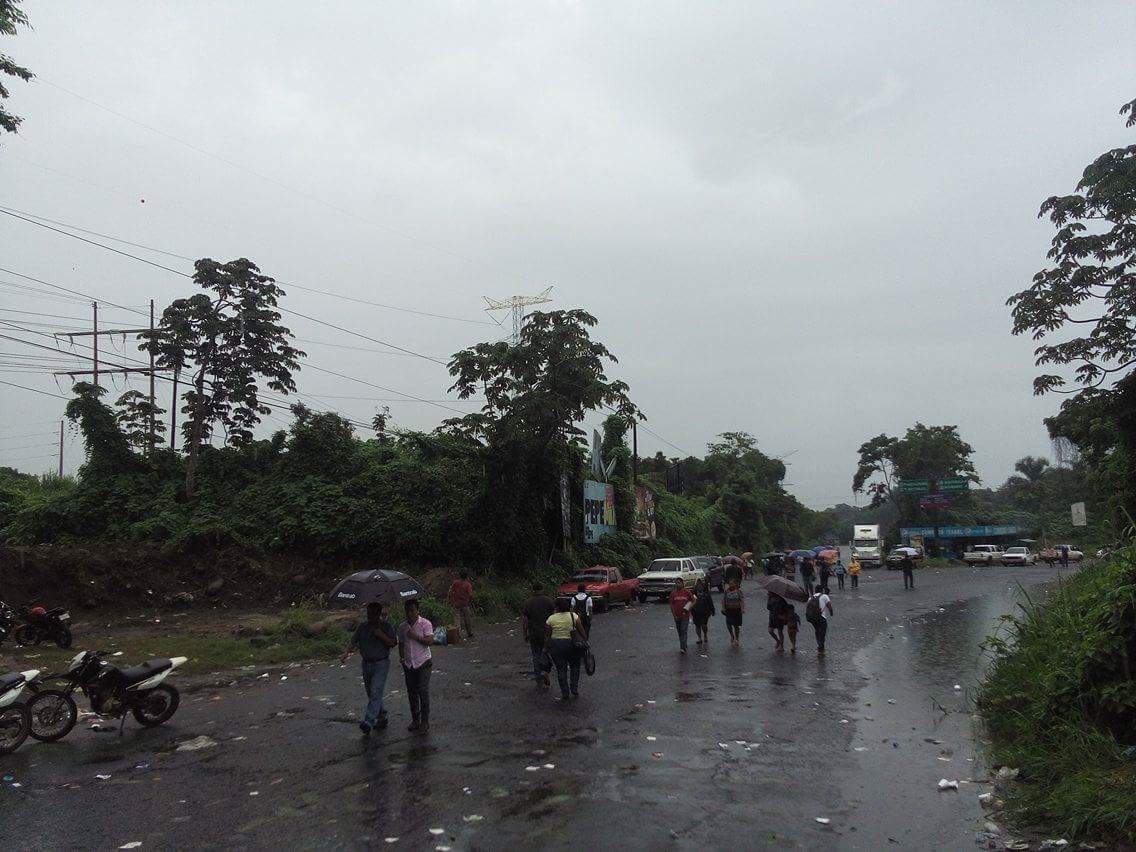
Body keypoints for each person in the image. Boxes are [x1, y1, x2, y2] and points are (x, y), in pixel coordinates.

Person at [342, 602, 398, 735]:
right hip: (366, 663)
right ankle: (382, 715)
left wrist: (381, 635)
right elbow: (354, 641)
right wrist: (346, 653)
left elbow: (393, 643)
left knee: (375, 691)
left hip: (381, 663)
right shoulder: (363, 627)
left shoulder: (386, 626)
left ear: (378, 614)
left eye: (373, 614)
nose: (370, 616)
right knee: (371, 692)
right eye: (368, 614)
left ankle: (369, 721)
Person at [398, 599, 435, 734]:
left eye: (412, 610)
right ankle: (415, 719)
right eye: (407, 611)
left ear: (417, 610)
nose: (409, 614)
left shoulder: (425, 624)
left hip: (423, 662)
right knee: (411, 692)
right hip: (409, 664)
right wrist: (402, 658)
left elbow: (430, 641)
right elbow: (401, 643)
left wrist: (414, 636)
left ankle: (425, 721)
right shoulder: (402, 627)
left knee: (422, 690)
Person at [545, 597, 586, 700]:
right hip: (573, 645)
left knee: (561, 669)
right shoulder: (574, 616)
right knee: (575, 667)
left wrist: (546, 648)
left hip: (557, 645)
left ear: (557, 607)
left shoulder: (551, 619)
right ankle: (574, 689)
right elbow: (581, 631)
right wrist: (584, 640)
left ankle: (565, 693)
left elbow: (547, 635)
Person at [521, 583, 554, 687]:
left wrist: (525, 633)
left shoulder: (528, 602)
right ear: (542, 589)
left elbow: (525, 620)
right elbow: (553, 616)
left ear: (532, 590)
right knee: (547, 653)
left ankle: (538, 678)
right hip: (546, 633)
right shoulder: (548, 601)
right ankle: (546, 672)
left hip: (533, 633)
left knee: (535, 655)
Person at [668, 579, 696, 654]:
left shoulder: (687, 592)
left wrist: (689, 608)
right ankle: (684, 643)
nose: (678, 584)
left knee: (684, 630)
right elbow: (671, 605)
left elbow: (693, 601)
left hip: (685, 615)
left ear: (682, 584)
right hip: (677, 616)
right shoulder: (673, 593)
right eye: (676, 583)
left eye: (679, 583)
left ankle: (682, 647)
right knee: (680, 631)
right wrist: (674, 615)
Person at [448, 571, 475, 639]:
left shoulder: (455, 583)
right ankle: (469, 632)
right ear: (467, 576)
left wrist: (451, 600)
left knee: (457, 620)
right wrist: (470, 600)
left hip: (456, 603)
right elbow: (470, 595)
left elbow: (451, 591)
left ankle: (458, 634)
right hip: (465, 604)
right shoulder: (468, 585)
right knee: (467, 619)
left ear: (459, 576)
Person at [805, 588, 833, 654]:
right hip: (821, 617)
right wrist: (831, 612)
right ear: (821, 591)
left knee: (817, 630)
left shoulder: (810, 598)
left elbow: (807, 608)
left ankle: (819, 645)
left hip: (812, 618)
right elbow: (829, 605)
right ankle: (821, 647)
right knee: (822, 632)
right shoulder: (824, 596)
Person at [691, 578, 716, 647]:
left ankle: (705, 635)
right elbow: (690, 603)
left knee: (704, 625)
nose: (699, 587)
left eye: (700, 586)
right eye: (698, 586)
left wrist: (713, 610)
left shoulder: (706, 594)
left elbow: (710, 603)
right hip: (695, 612)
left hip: (705, 612)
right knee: (697, 625)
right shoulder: (693, 595)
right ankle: (699, 638)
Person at [722, 578, 745, 647]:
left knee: (736, 625)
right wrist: (723, 608)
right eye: (729, 584)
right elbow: (723, 600)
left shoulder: (738, 591)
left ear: (735, 584)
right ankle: (732, 636)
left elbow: (741, 600)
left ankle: (737, 639)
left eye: (732, 583)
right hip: (729, 610)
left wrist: (742, 608)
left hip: (737, 610)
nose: (730, 585)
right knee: (728, 624)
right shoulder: (726, 591)